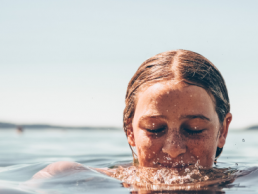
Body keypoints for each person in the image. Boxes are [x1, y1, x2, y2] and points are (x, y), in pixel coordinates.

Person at [33, 49, 233, 180]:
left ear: (222, 131)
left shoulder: (249, 183)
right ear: (130, 130)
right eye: (154, 129)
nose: (173, 149)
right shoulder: (75, 177)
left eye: (194, 129)